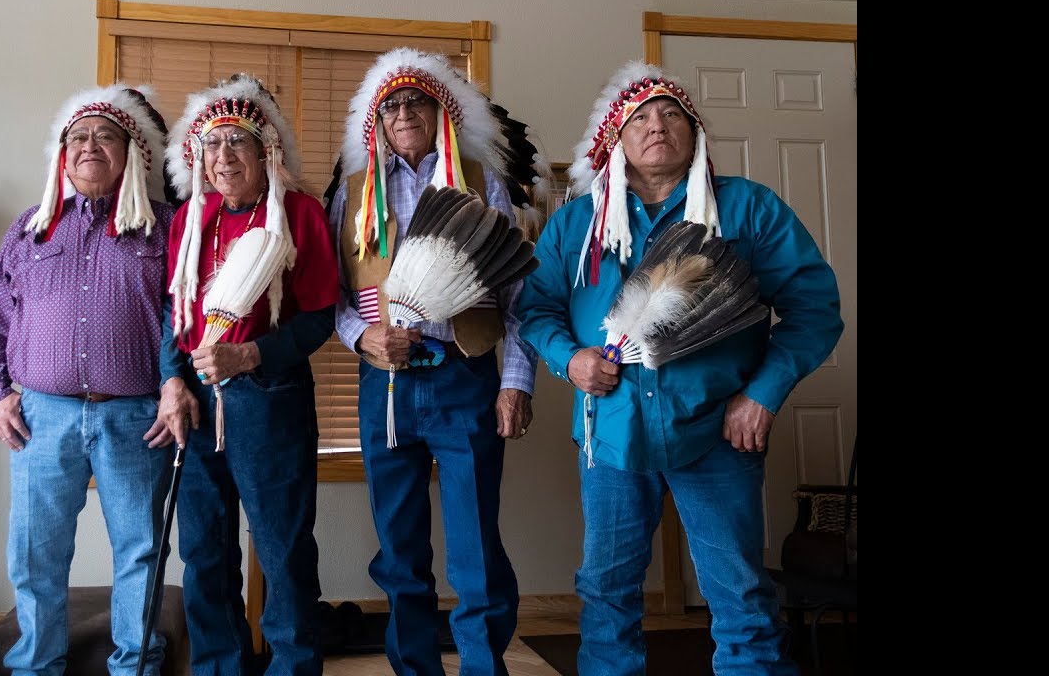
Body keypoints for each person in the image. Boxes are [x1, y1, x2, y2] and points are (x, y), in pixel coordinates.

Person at [515, 61, 844, 675]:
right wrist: (570, 360)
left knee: (740, 593)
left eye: (672, 113)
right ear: (616, 137)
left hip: (717, 428)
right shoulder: (576, 223)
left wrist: (763, 395)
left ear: (694, 132)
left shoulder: (747, 209)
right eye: (640, 116)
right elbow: (535, 310)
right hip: (608, 433)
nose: (657, 125)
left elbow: (814, 310)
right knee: (606, 593)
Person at [327, 48, 537, 676]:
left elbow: (520, 291)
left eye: (416, 100)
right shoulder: (354, 192)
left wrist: (515, 381)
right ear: (376, 121)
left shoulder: (479, 181)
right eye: (390, 105)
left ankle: (481, 667)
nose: (403, 113)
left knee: (475, 545)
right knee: (399, 548)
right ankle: (415, 667)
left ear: (441, 108)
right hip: (384, 384)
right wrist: (359, 336)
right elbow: (331, 292)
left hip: (464, 374)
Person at [0, 84, 179, 676]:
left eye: (106, 135)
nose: (90, 145)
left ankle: (135, 665)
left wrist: (174, 386)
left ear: (133, 152)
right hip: (41, 416)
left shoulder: (164, 229)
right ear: (63, 154)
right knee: (36, 556)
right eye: (78, 137)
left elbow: (182, 321)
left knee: (141, 551)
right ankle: (38, 665)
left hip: (137, 419)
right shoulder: (29, 229)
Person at [156, 74, 338, 676]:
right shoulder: (189, 220)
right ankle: (219, 667)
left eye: (238, 142)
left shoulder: (299, 214)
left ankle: (293, 666)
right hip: (198, 404)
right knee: (205, 551)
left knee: (283, 552)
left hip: (270, 400)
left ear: (266, 152)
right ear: (197, 157)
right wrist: (172, 380)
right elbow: (172, 312)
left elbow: (317, 318)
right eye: (212, 144)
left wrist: (252, 355)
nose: (224, 155)